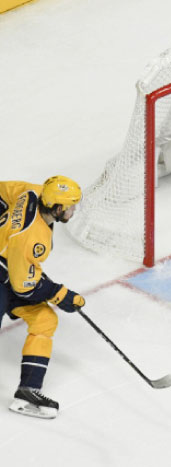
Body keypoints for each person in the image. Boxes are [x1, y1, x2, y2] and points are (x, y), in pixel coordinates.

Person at [0, 176, 85, 419]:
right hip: (9, 278)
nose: (73, 210)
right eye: (69, 206)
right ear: (56, 207)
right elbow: (24, 288)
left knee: (44, 320)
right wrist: (60, 294)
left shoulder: (33, 193)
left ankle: (28, 390)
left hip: (9, 270)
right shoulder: (32, 237)